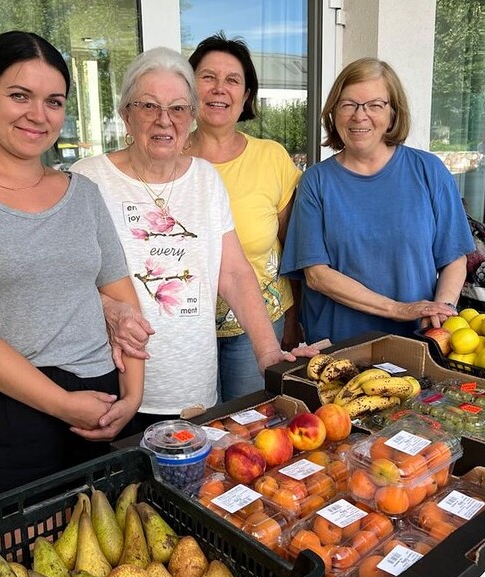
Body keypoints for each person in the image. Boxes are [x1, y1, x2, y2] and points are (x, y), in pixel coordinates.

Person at [0, 31, 144, 502]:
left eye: (54, 101)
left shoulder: (82, 191)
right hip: (6, 404)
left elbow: (124, 301)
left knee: (110, 554)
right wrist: (64, 406)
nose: (38, 115)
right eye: (19, 95)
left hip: (98, 395)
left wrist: (132, 397)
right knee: (23, 558)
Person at [71, 47, 314, 432]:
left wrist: (268, 353)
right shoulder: (88, 179)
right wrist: (109, 308)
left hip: (193, 384)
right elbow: (66, 277)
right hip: (114, 381)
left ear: (191, 116)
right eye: (148, 106)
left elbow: (233, 272)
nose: (164, 120)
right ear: (125, 116)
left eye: (178, 109)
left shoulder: (204, 178)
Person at [281, 57, 475, 344]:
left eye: (375, 105)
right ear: (333, 113)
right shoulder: (316, 181)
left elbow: (454, 256)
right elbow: (317, 275)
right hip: (338, 346)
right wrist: (397, 309)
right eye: (348, 104)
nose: (360, 116)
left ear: (393, 113)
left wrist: (443, 310)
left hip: (417, 342)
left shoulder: (429, 171)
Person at [186, 33, 303, 402]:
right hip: (184, 332)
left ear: (246, 96)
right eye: (207, 77)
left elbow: (291, 248)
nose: (219, 89)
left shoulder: (271, 157)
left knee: (249, 427)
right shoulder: (166, 160)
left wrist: (294, 321)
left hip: (259, 325)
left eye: (232, 80)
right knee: (192, 434)